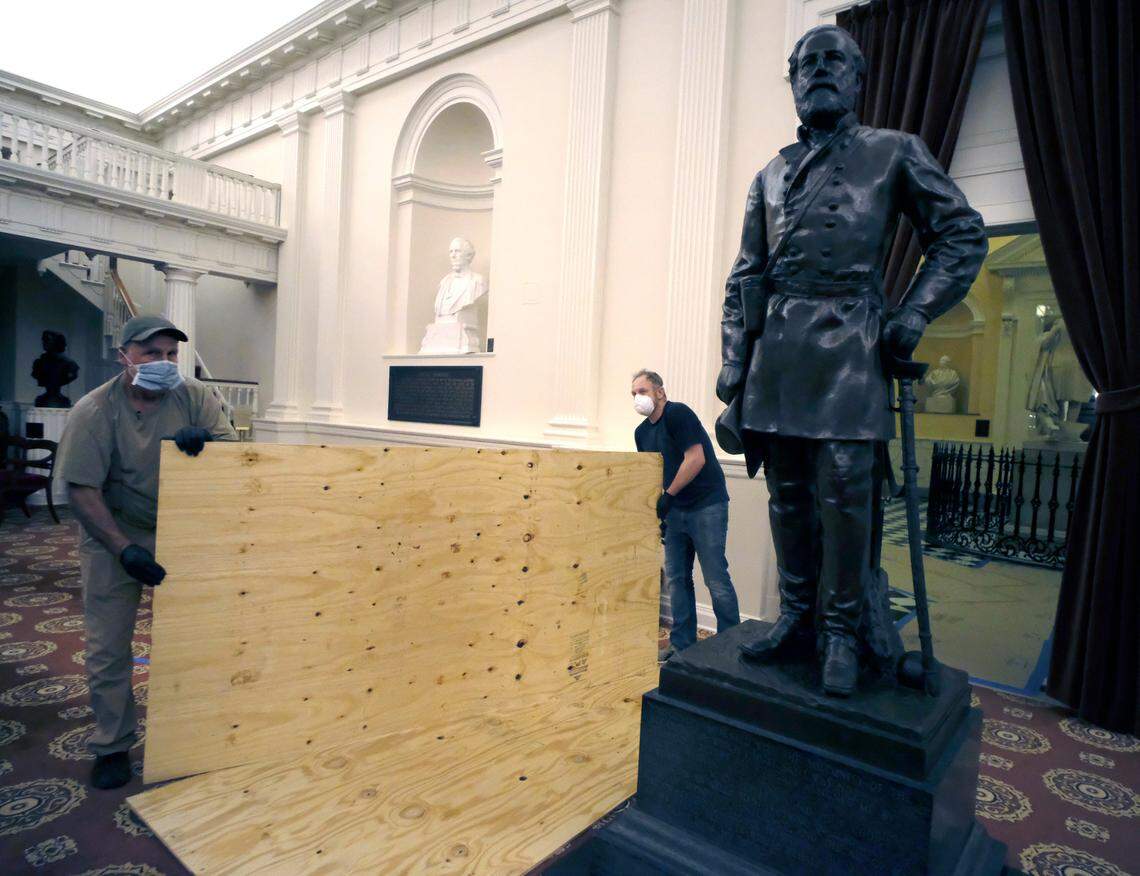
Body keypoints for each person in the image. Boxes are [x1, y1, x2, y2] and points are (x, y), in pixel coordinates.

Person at [716, 25, 986, 696]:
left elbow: (960, 234)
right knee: (787, 499)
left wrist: (916, 311)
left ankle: (842, 633)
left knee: (844, 497)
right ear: (794, 82)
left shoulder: (894, 152)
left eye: (833, 60)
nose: (819, 72)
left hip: (852, 349)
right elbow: (745, 276)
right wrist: (733, 362)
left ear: (859, 79)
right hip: (779, 354)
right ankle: (799, 620)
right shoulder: (770, 175)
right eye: (806, 64)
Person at [55, 315, 237, 789]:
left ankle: (194, 733)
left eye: (171, 354)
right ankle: (113, 744)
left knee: (195, 640)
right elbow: (81, 490)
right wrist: (123, 549)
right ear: (125, 357)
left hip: (183, 532)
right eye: (151, 354)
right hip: (113, 532)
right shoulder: (94, 411)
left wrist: (209, 451)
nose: (164, 362)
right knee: (109, 645)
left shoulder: (195, 396)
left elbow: (234, 458)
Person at [632, 369, 740, 659]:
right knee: (678, 579)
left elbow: (696, 459)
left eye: (642, 391)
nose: (637, 398)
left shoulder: (678, 414)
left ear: (660, 392)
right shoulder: (641, 433)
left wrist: (668, 496)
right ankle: (682, 644)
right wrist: (659, 514)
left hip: (707, 505)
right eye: (633, 394)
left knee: (716, 578)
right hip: (675, 512)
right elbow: (650, 473)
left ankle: (731, 645)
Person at [419, 237, 488, 354]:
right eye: (451, 251)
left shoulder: (478, 282)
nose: (453, 255)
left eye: (457, 251)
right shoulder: (444, 282)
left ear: (469, 256)